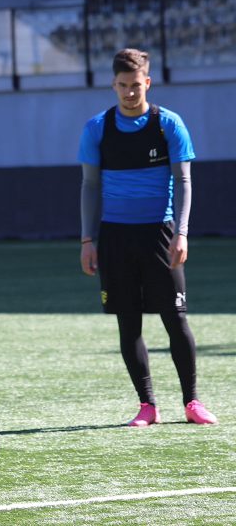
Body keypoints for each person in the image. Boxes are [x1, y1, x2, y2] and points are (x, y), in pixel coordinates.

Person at [78, 48, 217, 427]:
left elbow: (184, 181)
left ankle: (192, 402)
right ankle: (147, 405)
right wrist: (88, 240)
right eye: (122, 86)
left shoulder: (167, 124)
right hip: (116, 239)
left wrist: (182, 232)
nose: (129, 93)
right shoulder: (98, 128)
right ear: (113, 85)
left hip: (161, 232)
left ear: (148, 83)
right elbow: (90, 186)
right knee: (129, 323)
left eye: (135, 85)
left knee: (176, 319)